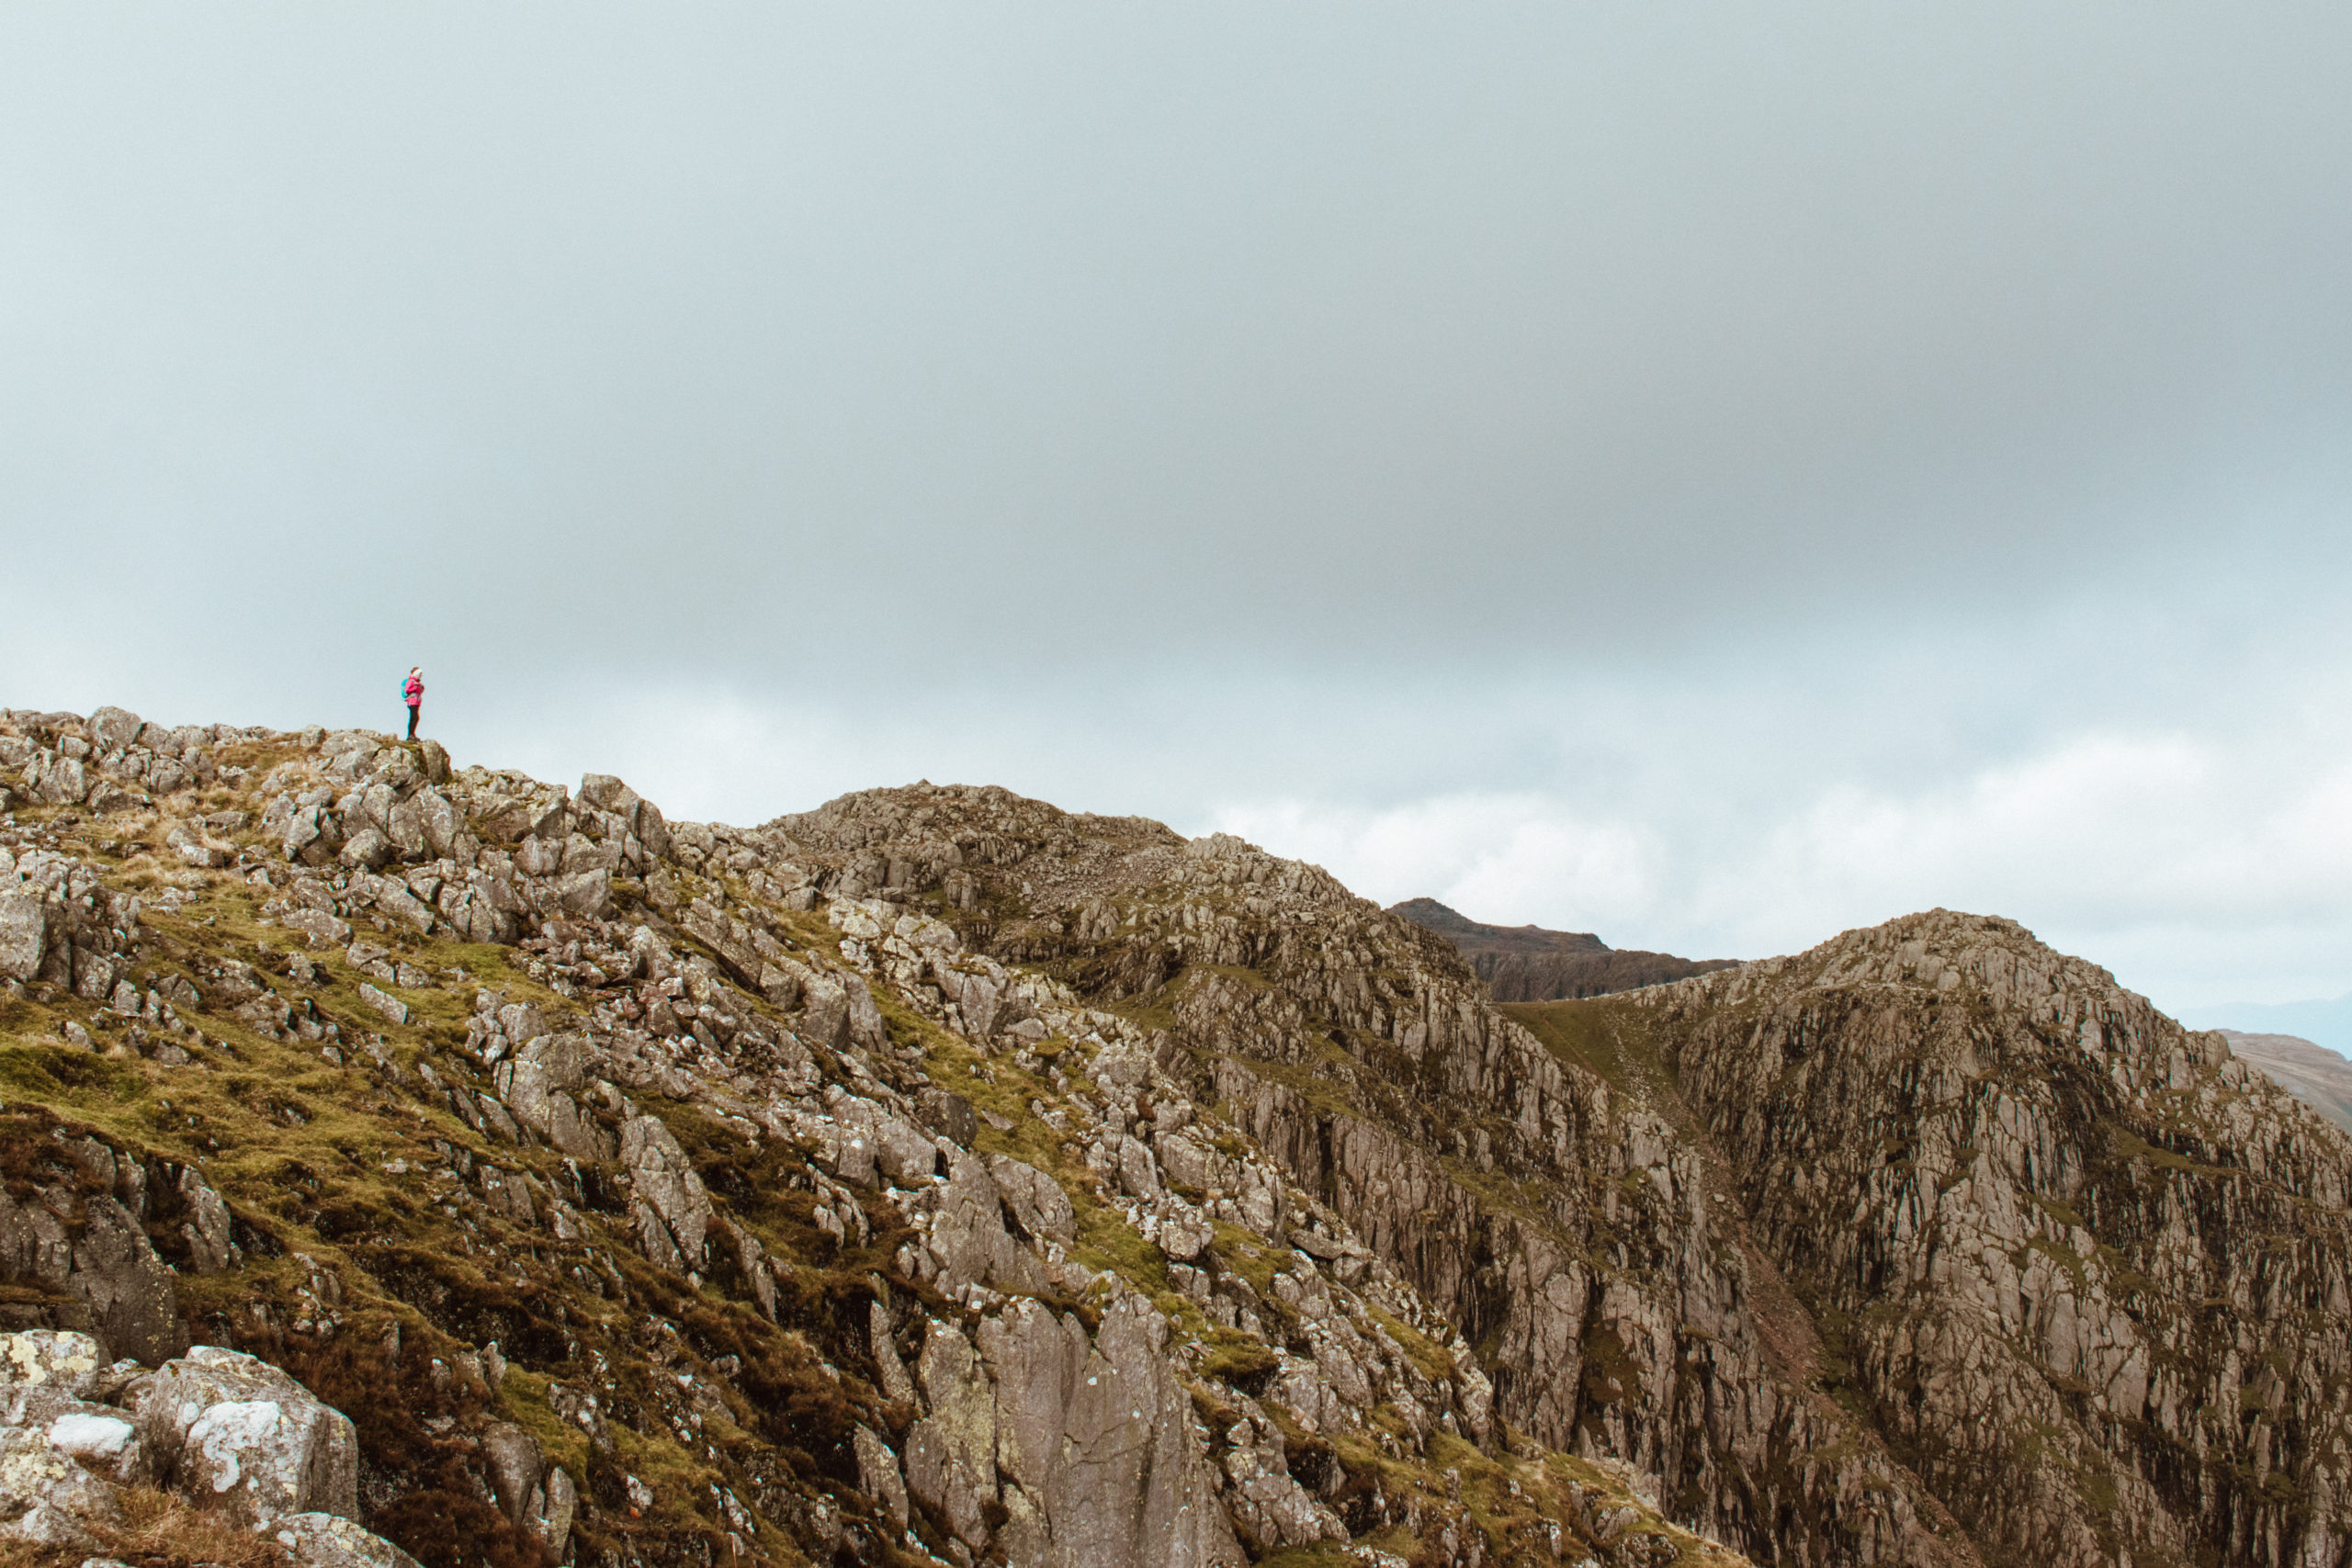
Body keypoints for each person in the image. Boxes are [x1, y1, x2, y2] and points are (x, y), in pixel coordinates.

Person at [402, 667, 424, 739]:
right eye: (419, 674)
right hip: (412, 701)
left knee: (414, 717)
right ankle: (410, 734)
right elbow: (407, 690)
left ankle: (411, 734)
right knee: (415, 717)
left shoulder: (416, 682)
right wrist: (415, 687)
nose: (420, 676)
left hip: (416, 702)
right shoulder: (411, 681)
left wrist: (420, 688)